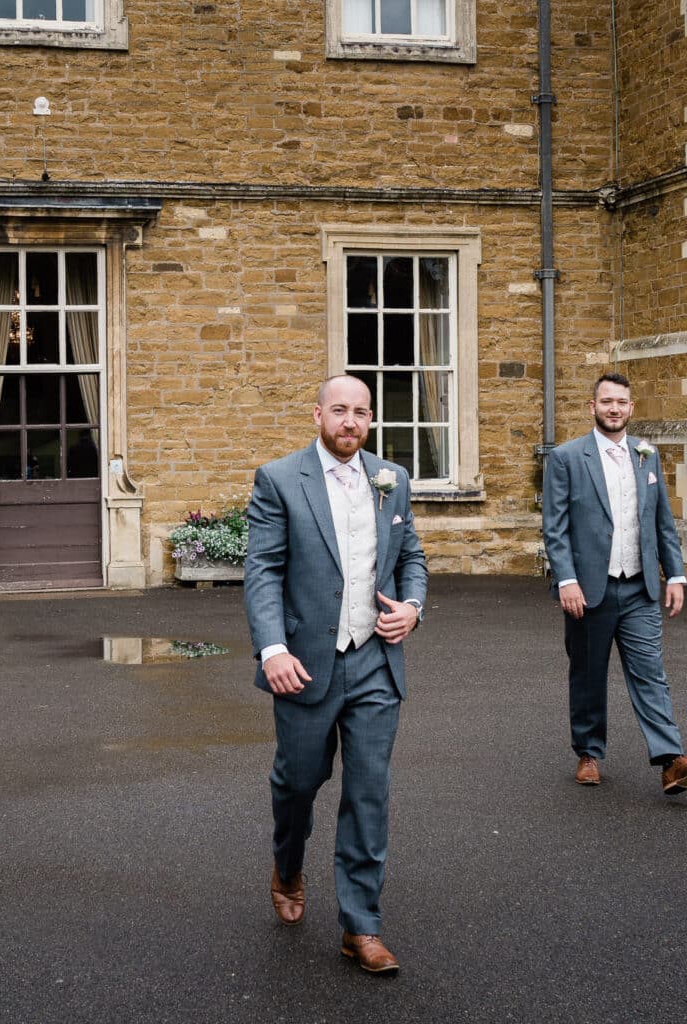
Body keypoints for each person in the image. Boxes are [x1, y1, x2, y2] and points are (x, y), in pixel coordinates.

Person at [244, 374, 428, 974]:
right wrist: (272, 649)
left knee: (368, 792)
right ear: (317, 414)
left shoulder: (391, 480)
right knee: (298, 783)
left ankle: (361, 926)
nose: (351, 422)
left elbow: (413, 557)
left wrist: (412, 607)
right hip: (304, 663)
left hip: (375, 658)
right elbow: (264, 572)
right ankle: (288, 861)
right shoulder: (279, 479)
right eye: (340, 411)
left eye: (362, 413)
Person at [541, 371, 687, 794]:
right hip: (589, 588)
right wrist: (566, 579)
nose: (613, 409)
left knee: (650, 673)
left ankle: (671, 761)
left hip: (639, 587)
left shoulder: (647, 455)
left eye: (621, 402)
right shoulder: (566, 458)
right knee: (588, 673)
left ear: (631, 407)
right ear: (592, 407)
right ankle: (588, 752)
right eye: (606, 402)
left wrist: (675, 573)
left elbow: (661, 521)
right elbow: (555, 528)